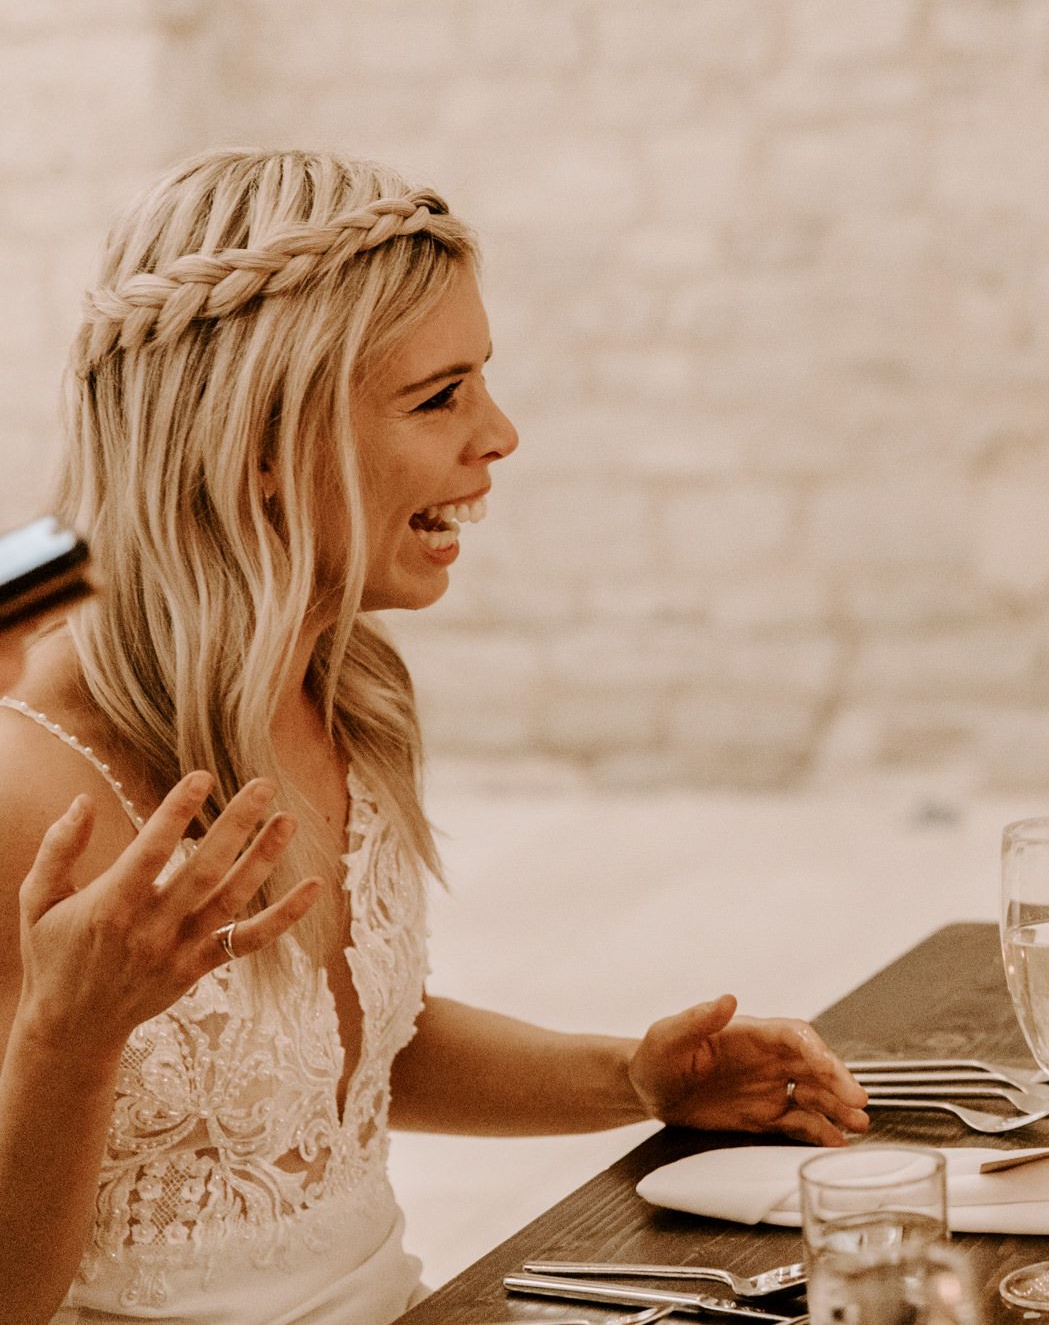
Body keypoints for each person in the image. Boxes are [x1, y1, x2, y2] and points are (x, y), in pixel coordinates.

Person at [0, 148, 870, 1325]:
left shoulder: (343, 695)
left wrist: (633, 1078)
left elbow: (348, 1061)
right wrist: (70, 1040)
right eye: (439, 396)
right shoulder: (28, 789)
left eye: (482, 383)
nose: (499, 435)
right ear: (260, 444)